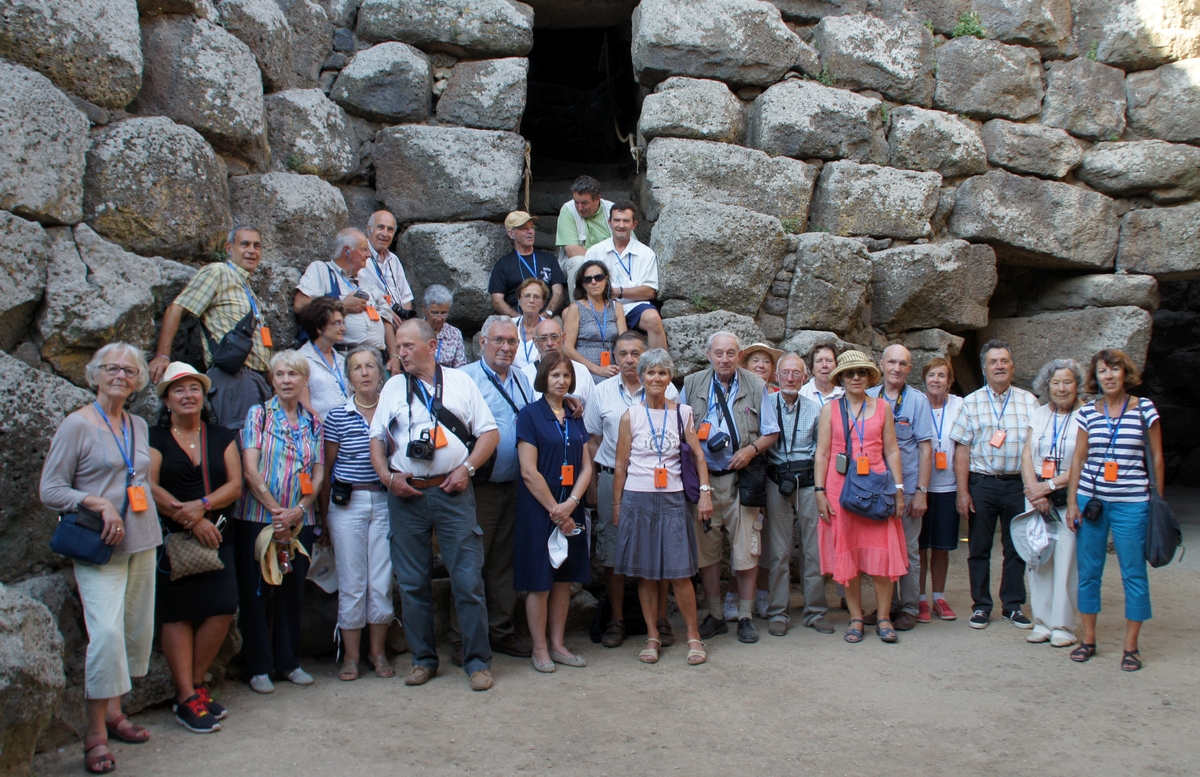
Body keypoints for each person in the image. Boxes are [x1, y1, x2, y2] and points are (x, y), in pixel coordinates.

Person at [40, 344, 161, 774]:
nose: (121, 376)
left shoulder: (138, 424)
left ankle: (114, 712)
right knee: (106, 635)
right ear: (95, 375)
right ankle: (94, 734)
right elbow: (50, 490)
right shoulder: (77, 425)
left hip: (143, 539)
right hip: (100, 546)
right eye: (112, 368)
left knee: (132, 633)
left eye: (130, 371)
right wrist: (96, 502)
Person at [369, 318, 501, 692]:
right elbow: (376, 439)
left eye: (408, 346)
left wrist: (467, 469)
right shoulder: (394, 386)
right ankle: (422, 660)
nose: (401, 353)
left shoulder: (460, 382)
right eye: (399, 347)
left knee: (468, 580)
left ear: (431, 346)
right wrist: (387, 477)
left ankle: (477, 662)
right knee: (411, 584)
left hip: (453, 493)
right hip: (406, 494)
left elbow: (489, 432)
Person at [147, 363, 240, 733]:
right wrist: (191, 519)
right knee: (178, 615)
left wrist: (203, 507)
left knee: (221, 609)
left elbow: (235, 485)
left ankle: (192, 686)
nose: (188, 396)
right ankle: (188, 696)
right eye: (178, 390)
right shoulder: (154, 438)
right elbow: (149, 486)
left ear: (204, 396)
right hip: (175, 537)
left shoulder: (220, 436)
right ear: (167, 400)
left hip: (217, 534)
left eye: (194, 389)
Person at [612, 349, 711, 665]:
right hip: (638, 498)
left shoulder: (683, 413)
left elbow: (698, 455)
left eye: (663, 373)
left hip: (672, 498)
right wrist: (617, 505)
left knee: (680, 572)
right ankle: (652, 635)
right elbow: (620, 464)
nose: (656, 378)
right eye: (651, 372)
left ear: (670, 379)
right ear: (641, 377)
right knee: (645, 574)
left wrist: (706, 492)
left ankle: (693, 636)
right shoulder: (631, 416)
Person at [1065, 349, 1162, 672]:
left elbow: (1157, 458)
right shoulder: (1088, 413)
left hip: (1132, 503)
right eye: (1103, 371)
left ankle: (1131, 646)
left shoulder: (1144, 409)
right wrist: (1070, 502)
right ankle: (1088, 639)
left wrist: (1157, 502)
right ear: (1096, 377)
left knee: (1133, 572)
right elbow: (1078, 459)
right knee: (1088, 571)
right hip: (1092, 501)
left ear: (1126, 374)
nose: (1108, 376)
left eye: (1114, 370)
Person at [235, 350, 325, 694]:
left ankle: (289, 661)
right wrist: (277, 511)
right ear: (272, 379)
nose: (287, 380)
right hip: (259, 517)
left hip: (299, 519)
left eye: (294, 374)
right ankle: (258, 666)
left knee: (293, 589)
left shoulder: (313, 421)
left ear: (304, 381)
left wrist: (299, 510)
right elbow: (250, 468)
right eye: (281, 374)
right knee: (257, 592)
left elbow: (318, 472)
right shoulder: (258, 415)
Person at [584, 331, 679, 649]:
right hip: (615, 478)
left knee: (661, 551)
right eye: (622, 353)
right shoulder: (602, 392)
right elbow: (593, 440)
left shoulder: (667, 389)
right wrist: (595, 486)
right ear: (614, 356)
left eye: (635, 353)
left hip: (657, 481)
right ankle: (617, 618)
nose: (629, 359)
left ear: (646, 355)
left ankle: (661, 618)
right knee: (613, 553)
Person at [682, 332, 774, 644]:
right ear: (708, 354)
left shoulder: (757, 386)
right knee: (706, 553)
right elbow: (683, 431)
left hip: (742, 481)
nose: (724, 359)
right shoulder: (693, 383)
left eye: (730, 353)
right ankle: (716, 615)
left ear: (740, 355)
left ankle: (745, 615)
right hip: (705, 482)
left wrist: (751, 450)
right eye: (718, 353)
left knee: (747, 549)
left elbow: (770, 432)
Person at [813, 350, 908, 644]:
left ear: (869, 377)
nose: (856, 378)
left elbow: (891, 449)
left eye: (861, 373)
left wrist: (900, 490)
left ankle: (882, 616)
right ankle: (855, 616)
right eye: (850, 373)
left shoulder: (882, 407)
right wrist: (818, 491)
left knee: (882, 554)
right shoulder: (830, 409)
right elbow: (824, 452)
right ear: (840, 378)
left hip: (877, 488)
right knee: (849, 554)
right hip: (840, 489)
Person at [457, 316, 535, 665]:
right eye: (499, 340)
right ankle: (463, 638)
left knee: (504, 562)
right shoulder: (464, 379)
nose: (506, 347)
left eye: (513, 342)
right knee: (471, 562)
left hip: (516, 485)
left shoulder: (522, 379)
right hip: (480, 487)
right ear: (482, 341)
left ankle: (501, 632)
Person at [950, 339, 1039, 630]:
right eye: (993, 362)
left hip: (1017, 484)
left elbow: (1037, 448)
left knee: (1016, 546)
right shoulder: (971, 402)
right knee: (979, 547)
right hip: (983, 484)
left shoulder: (1029, 401)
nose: (999, 366)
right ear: (984, 368)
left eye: (1004, 361)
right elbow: (962, 450)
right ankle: (981, 606)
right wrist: (963, 492)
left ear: (1012, 366)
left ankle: (1012, 605)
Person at [514, 352, 593, 671]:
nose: (561, 381)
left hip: (571, 508)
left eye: (566, 375)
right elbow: (528, 471)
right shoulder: (529, 415)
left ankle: (559, 643)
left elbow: (586, 466)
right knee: (540, 580)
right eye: (555, 375)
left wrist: (572, 503)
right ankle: (540, 647)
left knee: (565, 580)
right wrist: (556, 510)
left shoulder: (575, 414)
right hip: (539, 511)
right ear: (543, 378)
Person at [150, 225, 272, 430]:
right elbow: (177, 308)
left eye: (257, 246)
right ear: (229, 248)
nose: (252, 250)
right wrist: (162, 356)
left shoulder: (246, 287)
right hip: (233, 377)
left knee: (259, 447)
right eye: (245, 244)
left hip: (255, 379)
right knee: (244, 445)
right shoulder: (218, 272)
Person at [321, 347, 395, 681]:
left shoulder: (394, 410)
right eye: (356, 368)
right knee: (352, 582)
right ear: (348, 377)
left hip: (385, 502)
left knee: (380, 582)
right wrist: (323, 515)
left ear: (381, 373)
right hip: (347, 505)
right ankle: (350, 656)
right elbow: (328, 466)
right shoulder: (337, 416)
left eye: (370, 367)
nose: (364, 373)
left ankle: (377, 653)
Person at [759, 353, 830, 636]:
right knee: (778, 550)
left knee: (813, 550)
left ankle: (815, 611)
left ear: (804, 378)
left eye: (796, 374)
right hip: (776, 481)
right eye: (785, 373)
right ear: (776, 377)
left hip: (808, 482)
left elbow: (822, 451)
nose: (790, 378)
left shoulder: (816, 409)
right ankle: (778, 611)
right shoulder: (765, 405)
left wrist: (821, 489)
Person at [866, 345, 933, 631]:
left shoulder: (918, 401)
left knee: (908, 549)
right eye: (891, 361)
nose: (896, 367)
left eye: (902, 363)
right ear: (881, 364)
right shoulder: (868, 397)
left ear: (909, 368)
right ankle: (886, 607)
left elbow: (926, 449)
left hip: (905, 490)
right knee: (880, 549)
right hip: (874, 489)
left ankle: (909, 607)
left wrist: (921, 491)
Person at [1019, 358, 1085, 648]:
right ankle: (1042, 622)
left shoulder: (1087, 415)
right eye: (1056, 382)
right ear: (1047, 386)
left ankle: (1063, 626)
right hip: (1037, 497)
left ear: (1077, 385)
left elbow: (1083, 462)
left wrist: (1048, 486)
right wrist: (1034, 490)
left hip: (1068, 498)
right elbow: (1026, 455)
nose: (1061, 388)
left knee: (1066, 563)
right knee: (1038, 559)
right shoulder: (1039, 413)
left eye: (1067, 382)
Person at [295, 228, 400, 375]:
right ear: (347, 251)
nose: (369, 255)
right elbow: (300, 305)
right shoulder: (322, 270)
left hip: (377, 360)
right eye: (364, 249)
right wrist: (342, 305)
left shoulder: (366, 282)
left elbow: (386, 317)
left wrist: (394, 355)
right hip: (343, 359)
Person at [582, 201, 666, 350]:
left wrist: (619, 292)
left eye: (626, 221)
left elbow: (650, 291)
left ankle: (659, 366)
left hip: (635, 306)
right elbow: (585, 285)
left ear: (634, 224)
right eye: (617, 220)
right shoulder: (594, 252)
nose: (621, 225)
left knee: (653, 318)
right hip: (605, 305)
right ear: (609, 222)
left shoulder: (646, 253)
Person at [919, 358, 963, 623]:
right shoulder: (917, 403)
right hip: (922, 485)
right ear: (924, 379)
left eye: (942, 376)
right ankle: (920, 599)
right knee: (920, 544)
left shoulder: (959, 405)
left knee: (942, 546)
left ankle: (938, 596)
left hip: (948, 485)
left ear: (950, 381)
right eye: (932, 375)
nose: (936, 380)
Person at [741, 342, 783, 620]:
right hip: (749, 474)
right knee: (745, 538)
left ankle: (765, 593)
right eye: (755, 360)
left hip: (776, 475)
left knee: (768, 540)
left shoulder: (782, 396)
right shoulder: (742, 392)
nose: (761, 366)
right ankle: (737, 595)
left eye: (766, 362)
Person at [556, 175, 622, 299]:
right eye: (576, 202)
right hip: (578, 262)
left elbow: (630, 242)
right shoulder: (568, 210)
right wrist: (602, 264)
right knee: (578, 261)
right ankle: (578, 310)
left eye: (584, 203)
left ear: (597, 199)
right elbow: (571, 250)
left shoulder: (612, 210)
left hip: (613, 261)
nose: (579, 207)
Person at [490, 210, 566, 316]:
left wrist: (546, 314)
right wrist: (519, 319)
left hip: (548, 318)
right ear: (511, 234)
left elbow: (558, 292)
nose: (530, 231)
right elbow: (497, 300)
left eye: (532, 227)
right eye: (524, 228)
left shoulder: (549, 259)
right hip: (515, 318)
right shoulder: (503, 265)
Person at [563, 259, 626, 385]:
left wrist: (621, 367)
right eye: (588, 279)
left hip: (612, 367)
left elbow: (624, 342)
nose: (593, 282)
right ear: (582, 284)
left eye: (598, 277)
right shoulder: (576, 308)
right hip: (584, 369)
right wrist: (598, 370)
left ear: (606, 279)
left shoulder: (616, 307)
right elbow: (567, 348)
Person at [521, 318, 594, 407]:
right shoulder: (524, 375)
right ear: (535, 342)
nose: (550, 343)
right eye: (543, 338)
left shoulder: (581, 370)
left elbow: (592, 410)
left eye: (554, 337)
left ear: (563, 338)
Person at [297, 296, 348, 420]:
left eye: (342, 323)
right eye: (337, 323)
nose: (343, 328)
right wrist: (324, 430)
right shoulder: (301, 359)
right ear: (319, 328)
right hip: (322, 431)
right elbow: (304, 405)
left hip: (348, 429)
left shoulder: (342, 360)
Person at [364, 209, 415, 317]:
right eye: (380, 227)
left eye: (390, 230)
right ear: (369, 229)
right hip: (376, 318)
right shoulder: (361, 257)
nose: (385, 234)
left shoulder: (393, 259)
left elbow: (406, 297)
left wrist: (405, 323)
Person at [511, 277, 552, 371]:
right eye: (527, 296)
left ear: (543, 303)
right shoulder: (509, 325)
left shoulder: (549, 328)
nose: (531, 300)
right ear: (519, 300)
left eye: (536, 297)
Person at [423, 284, 467, 368]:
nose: (439, 318)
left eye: (444, 313)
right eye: (435, 313)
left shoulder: (454, 334)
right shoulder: (415, 331)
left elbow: (461, 368)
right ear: (424, 309)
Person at [800, 342, 844, 407]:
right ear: (812, 368)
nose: (824, 365)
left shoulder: (844, 393)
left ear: (836, 365)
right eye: (819, 361)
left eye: (829, 360)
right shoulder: (801, 394)